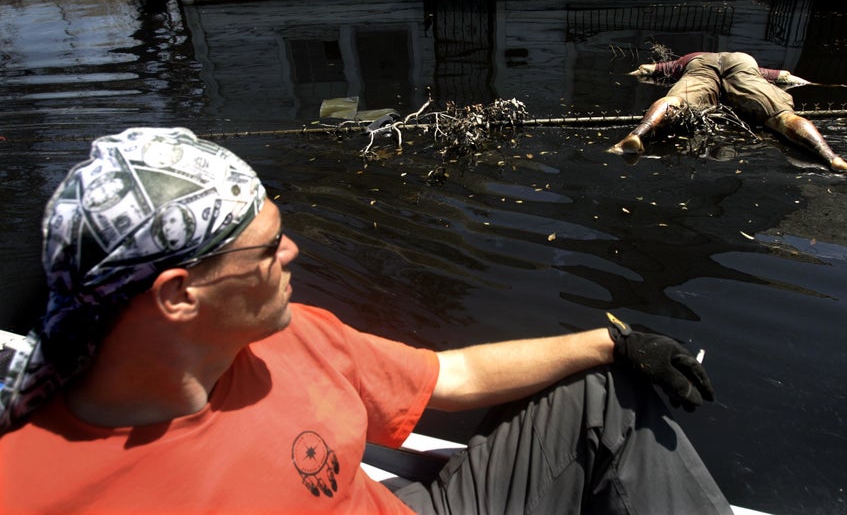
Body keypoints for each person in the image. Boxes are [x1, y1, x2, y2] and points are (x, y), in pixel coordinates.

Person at [0, 127, 732, 514]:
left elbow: (453, 374)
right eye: (264, 248)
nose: (292, 251)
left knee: (603, 391)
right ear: (176, 295)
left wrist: (613, 341)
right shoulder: (34, 491)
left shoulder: (292, 337)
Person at [608, 52, 847, 173]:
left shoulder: (687, 60)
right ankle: (831, 158)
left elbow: (646, 69)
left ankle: (637, 134)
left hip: (698, 67)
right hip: (745, 62)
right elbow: (786, 77)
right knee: (779, 116)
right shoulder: (742, 59)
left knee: (675, 100)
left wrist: (627, 75)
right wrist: (818, 84)